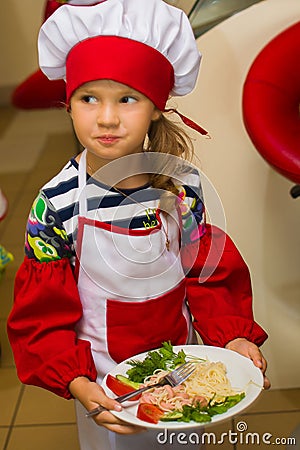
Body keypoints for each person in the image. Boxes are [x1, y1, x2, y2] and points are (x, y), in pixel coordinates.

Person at [7, 1, 270, 449]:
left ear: (155, 107)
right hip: (106, 383)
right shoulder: (56, 205)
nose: (106, 118)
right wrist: (77, 382)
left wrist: (234, 336)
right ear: (68, 104)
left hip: (183, 369)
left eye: (126, 99)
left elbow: (208, 274)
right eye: (89, 98)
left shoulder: (182, 185)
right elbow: (42, 319)